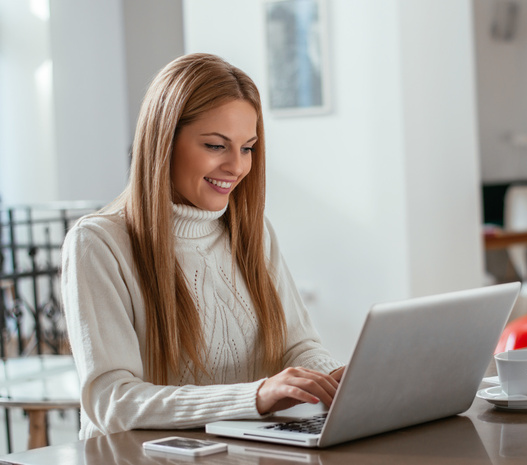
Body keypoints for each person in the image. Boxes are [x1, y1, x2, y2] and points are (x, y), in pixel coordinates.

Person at [61, 53, 344, 439]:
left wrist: (329, 378)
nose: (237, 167)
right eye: (215, 145)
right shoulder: (98, 243)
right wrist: (255, 396)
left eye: (247, 148)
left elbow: (299, 344)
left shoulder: (252, 231)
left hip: (239, 451)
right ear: (164, 142)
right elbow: (113, 400)